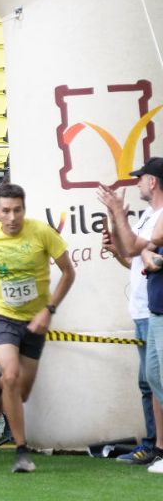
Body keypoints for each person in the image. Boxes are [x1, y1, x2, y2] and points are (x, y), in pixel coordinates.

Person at [0, 183, 75, 473]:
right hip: (2, 316)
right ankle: (21, 450)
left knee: (21, 392)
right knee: (13, 373)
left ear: (24, 210)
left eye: (17, 210)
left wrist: (49, 310)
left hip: (35, 320)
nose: (12, 217)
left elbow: (69, 272)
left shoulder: (42, 232)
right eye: (5, 211)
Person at [98, 162, 163, 466]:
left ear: (153, 182)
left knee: (154, 380)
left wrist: (117, 213)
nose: (137, 182)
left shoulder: (159, 217)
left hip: (153, 310)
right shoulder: (151, 216)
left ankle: (155, 445)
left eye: (140, 178)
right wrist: (114, 218)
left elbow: (136, 249)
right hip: (144, 307)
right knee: (149, 381)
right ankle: (154, 444)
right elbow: (132, 256)